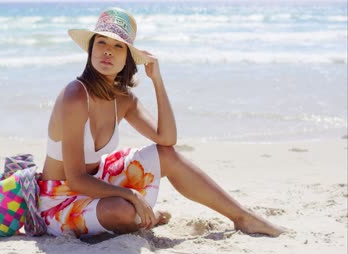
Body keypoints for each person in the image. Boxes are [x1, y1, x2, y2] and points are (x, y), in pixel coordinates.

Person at [36, 7, 285, 238]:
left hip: (99, 179)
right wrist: (130, 194)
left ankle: (243, 217)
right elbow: (77, 180)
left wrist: (157, 80)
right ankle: (150, 216)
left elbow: (167, 139)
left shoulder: (123, 99)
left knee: (165, 154)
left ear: (128, 59)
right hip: (60, 199)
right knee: (123, 211)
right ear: (91, 50)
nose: (108, 50)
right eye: (101, 42)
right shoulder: (75, 96)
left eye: (118, 46)